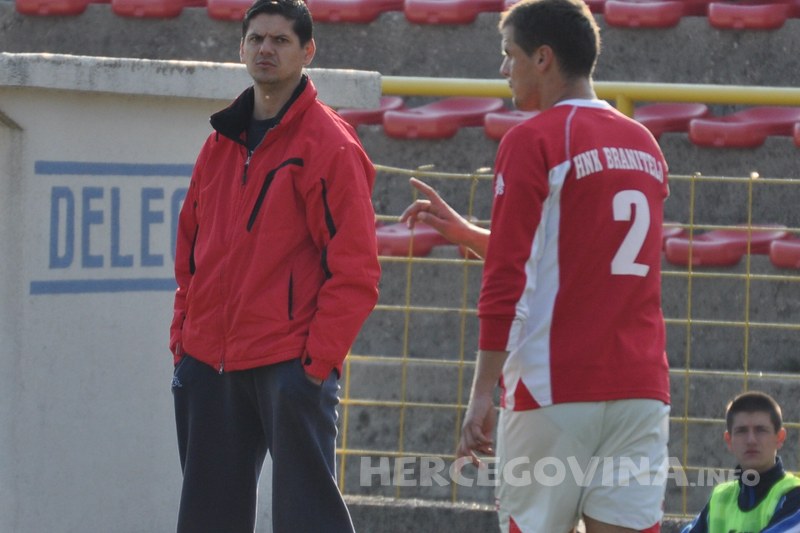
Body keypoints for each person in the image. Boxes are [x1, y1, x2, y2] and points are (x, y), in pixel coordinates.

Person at [402, 1, 671, 531]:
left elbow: (509, 280)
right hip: (640, 391)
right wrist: (470, 234)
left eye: (510, 55)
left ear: (543, 59)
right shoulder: (645, 143)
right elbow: (581, 258)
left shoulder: (534, 138)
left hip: (555, 389)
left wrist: (482, 393)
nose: (504, 70)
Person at [168, 1, 380, 531]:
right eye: (256, 39)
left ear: (308, 51)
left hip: (289, 363)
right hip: (208, 362)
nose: (266, 49)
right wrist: (183, 344)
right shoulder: (218, 143)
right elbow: (190, 253)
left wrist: (314, 366)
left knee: (308, 520)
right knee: (206, 521)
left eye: (280, 40)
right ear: (241, 48)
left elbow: (355, 270)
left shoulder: (328, 144)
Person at [682, 391, 800, 533]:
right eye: (742, 431)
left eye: (760, 430)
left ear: (780, 438)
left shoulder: (794, 495)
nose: (751, 440)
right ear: (729, 440)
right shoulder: (720, 497)